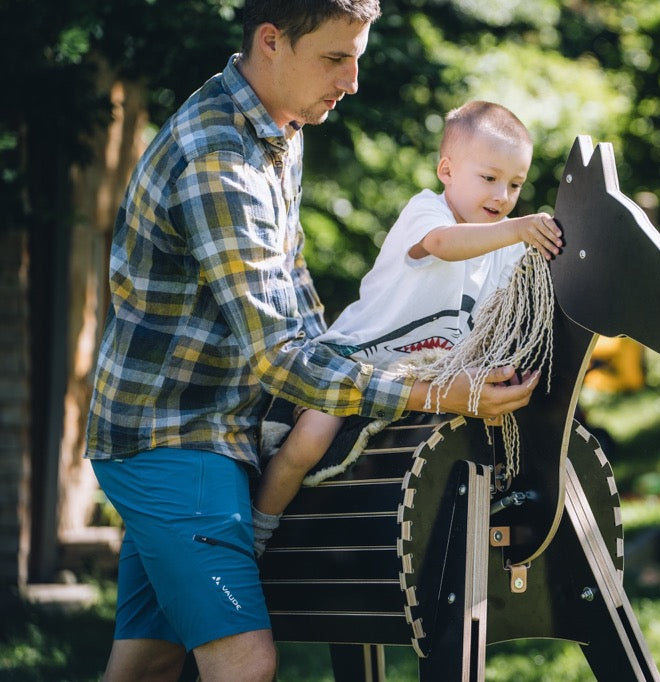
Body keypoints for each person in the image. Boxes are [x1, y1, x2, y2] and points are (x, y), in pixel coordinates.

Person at [83, 3, 539, 680]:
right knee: (246, 664)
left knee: (149, 660)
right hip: (174, 436)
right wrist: (440, 393)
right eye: (334, 58)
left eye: (357, 55)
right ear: (271, 41)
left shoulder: (278, 131)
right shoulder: (221, 161)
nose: (353, 80)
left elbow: (291, 300)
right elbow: (278, 357)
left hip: (223, 429)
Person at [252, 100, 562, 549]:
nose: (502, 197)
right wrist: (518, 228)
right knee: (311, 439)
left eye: (515, 184)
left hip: (423, 370)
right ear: (447, 171)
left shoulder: (505, 245)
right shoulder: (427, 212)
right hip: (357, 359)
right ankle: (260, 531)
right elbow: (443, 245)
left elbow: (535, 281)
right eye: (489, 178)